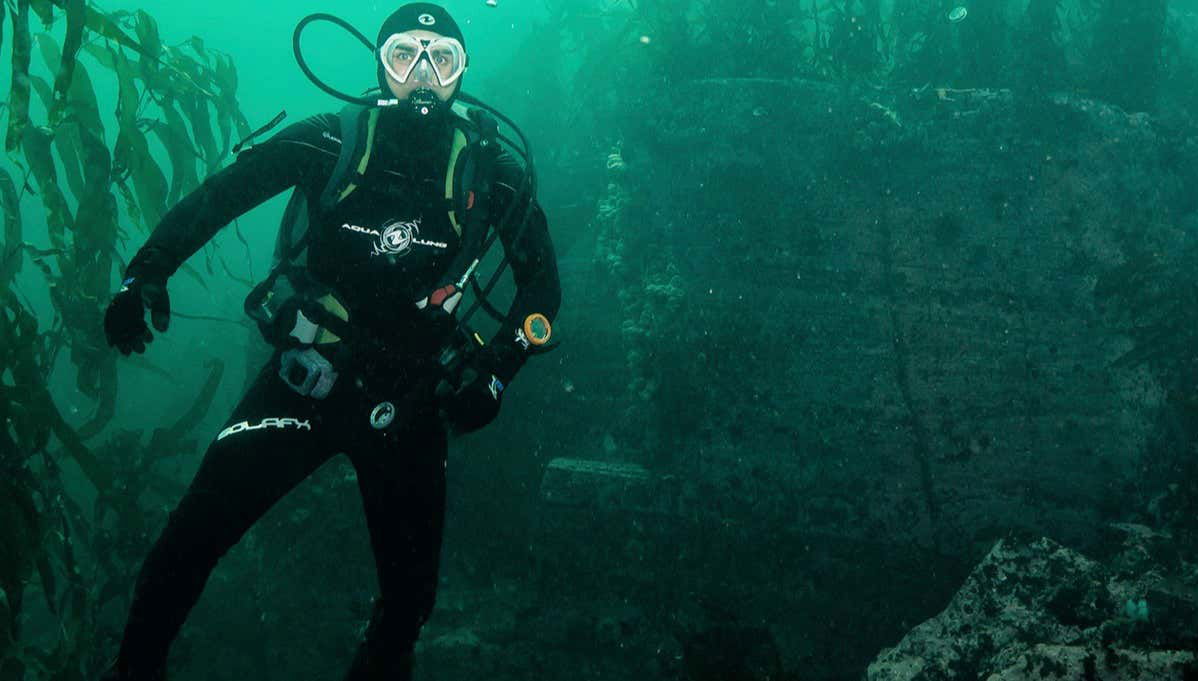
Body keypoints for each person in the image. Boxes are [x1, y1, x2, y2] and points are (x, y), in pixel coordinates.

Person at [99, 4, 560, 680]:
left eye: (443, 60)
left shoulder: (493, 173)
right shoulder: (330, 140)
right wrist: (145, 273)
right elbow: (219, 198)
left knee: (407, 607)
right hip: (306, 376)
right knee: (188, 543)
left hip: (412, 395)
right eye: (405, 57)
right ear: (380, 65)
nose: (423, 78)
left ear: (464, 73)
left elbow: (542, 294)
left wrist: (497, 369)